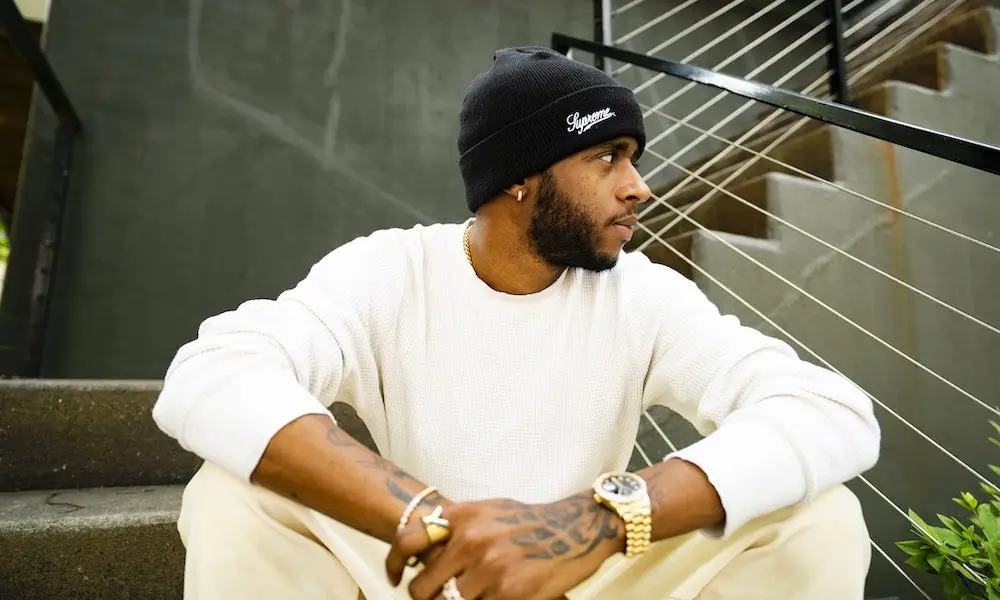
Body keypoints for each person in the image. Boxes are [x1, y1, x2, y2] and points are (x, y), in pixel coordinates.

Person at [153, 46, 881, 600]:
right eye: (608, 157)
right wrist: (437, 521)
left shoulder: (641, 296)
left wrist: (593, 522)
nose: (640, 188)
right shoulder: (390, 272)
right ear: (518, 176)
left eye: (634, 159)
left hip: (584, 582)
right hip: (425, 575)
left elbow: (831, 410)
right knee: (230, 493)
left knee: (819, 516)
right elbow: (216, 371)